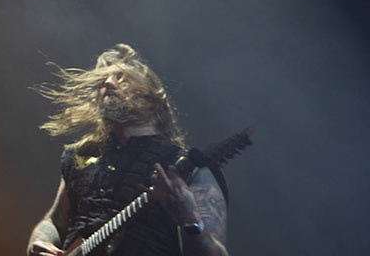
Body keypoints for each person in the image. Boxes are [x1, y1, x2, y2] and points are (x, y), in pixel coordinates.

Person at [28, 44, 230, 256]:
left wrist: (189, 218)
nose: (108, 83)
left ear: (151, 97)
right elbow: (55, 220)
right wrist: (39, 240)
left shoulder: (186, 169)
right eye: (102, 81)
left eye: (122, 78)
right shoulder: (80, 156)